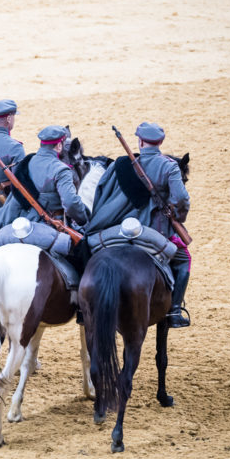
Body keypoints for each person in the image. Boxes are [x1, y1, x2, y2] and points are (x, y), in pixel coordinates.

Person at [85, 122, 191, 327]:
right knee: (184, 257)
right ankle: (175, 310)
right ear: (160, 142)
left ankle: (83, 307)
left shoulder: (121, 165)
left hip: (120, 226)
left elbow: (102, 192)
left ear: (140, 142)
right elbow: (181, 199)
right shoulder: (169, 166)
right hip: (156, 230)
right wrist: (176, 214)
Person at [0, 124, 89, 234]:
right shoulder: (61, 170)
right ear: (59, 146)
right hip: (51, 223)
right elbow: (70, 203)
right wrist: (84, 219)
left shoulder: (28, 161)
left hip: (23, 217)